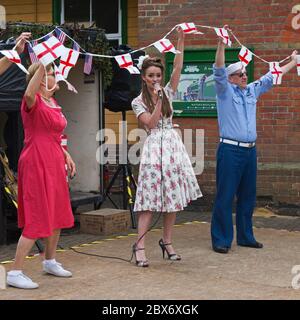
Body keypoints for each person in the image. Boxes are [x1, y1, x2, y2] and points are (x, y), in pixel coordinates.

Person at [211, 25, 298, 254]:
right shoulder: (224, 92)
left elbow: (272, 77)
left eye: (244, 73)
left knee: (248, 196)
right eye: (239, 74)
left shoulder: (251, 90)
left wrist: (293, 60)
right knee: (225, 195)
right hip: (230, 150)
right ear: (230, 78)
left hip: (250, 151)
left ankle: (245, 236)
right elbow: (218, 69)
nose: (244, 76)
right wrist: (221, 42)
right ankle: (221, 239)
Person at [131, 27, 202, 267]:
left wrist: (180, 41)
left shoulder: (168, 90)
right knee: (150, 200)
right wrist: (159, 98)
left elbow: (179, 68)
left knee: (172, 198)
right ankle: (139, 247)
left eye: (158, 76)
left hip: (172, 146)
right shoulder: (138, 100)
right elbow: (150, 123)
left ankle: (167, 242)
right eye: (151, 75)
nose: (155, 79)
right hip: (154, 147)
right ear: (144, 77)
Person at [6, 62, 76, 289]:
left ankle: (49, 260)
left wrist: (66, 154)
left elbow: (52, 134)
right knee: (38, 216)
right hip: (36, 162)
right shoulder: (32, 100)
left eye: (54, 73)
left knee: (56, 213)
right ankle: (15, 272)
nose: (52, 76)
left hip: (54, 161)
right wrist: (41, 68)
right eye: (47, 73)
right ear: (36, 77)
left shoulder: (53, 101)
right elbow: (28, 92)